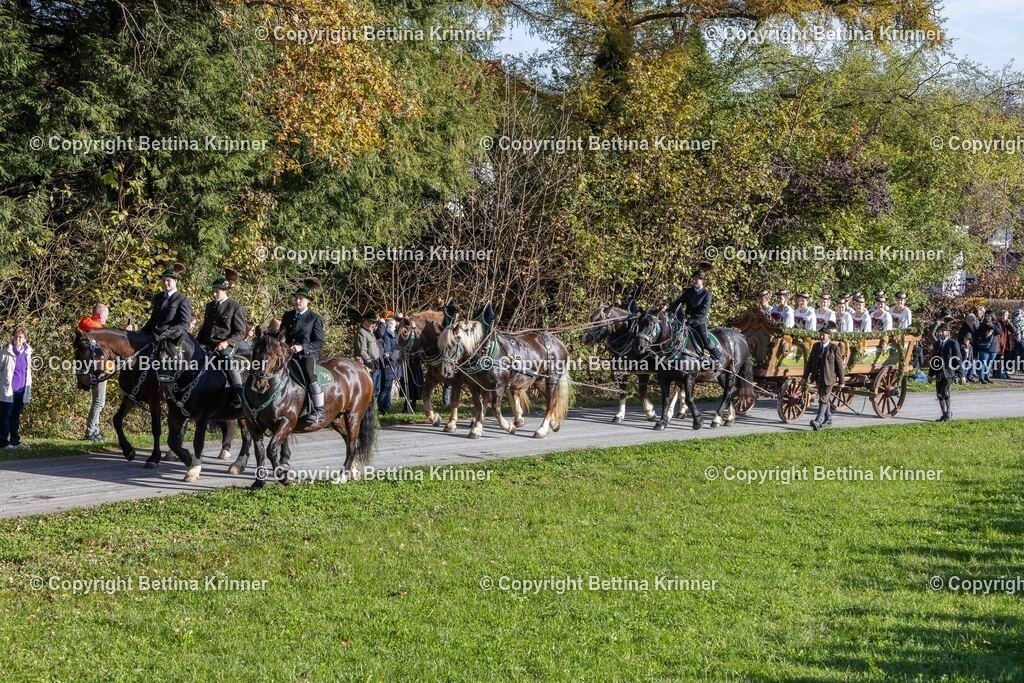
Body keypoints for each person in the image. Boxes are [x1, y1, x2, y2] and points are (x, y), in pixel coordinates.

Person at [196, 269, 249, 408]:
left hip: (227, 344)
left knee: (227, 359)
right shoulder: (209, 306)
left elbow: (240, 332)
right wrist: (196, 342)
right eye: (213, 291)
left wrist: (226, 343)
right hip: (208, 343)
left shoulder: (235, 307)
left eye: (217, 291)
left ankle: (238, 393)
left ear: (225, 291)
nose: (214, 294)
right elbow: (205, 327)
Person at [280, 279, 326, 425]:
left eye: (301, 299)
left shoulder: (314, 318)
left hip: (306, 355)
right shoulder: (287, 315)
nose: (298, 301)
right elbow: (282, 334)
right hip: (287, 353)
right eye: (296, 298)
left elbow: (319, 342)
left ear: (307, 301)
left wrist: (302, 347)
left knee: (308, 373)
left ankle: (318, 410)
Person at [667, 264, 722, 367]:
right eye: (693, 279)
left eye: (696, 279)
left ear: (702, 281)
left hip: (699, 321)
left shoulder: (706, 294)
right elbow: (679, 302)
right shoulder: (688, 291)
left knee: (704, 339)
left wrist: (690, 319)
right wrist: (667, 307)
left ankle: (718, 356)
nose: (694, 281)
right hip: (686, 321)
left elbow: (703, 311)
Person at [803, 322, 844, 431]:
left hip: (829, 379)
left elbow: (839, 366)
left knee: (823, 399)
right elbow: (810, 363)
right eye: (820, 335)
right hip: (818, 377)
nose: (821, 337)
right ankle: (829, 419)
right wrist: (805, 377)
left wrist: (841, 382)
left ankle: (818, 420)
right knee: (825, 400)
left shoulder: (834, 348)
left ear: (828, 336)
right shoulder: (816, 346)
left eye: (823, 335)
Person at [78, 304, 109, 441]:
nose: (106, 319)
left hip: (95, 369)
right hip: (97, 370)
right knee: (98, 401)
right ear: (101, 315)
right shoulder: (94, 327)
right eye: (106, 316)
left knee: (99, 401)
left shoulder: (88, 326)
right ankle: (91, 430)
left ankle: (94, 429)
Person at [141, 264, 192, 341]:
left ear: (176, 281)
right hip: (152, 336)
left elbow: (184, 324)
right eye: (163, 280)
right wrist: (140, 333)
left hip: (169, 340)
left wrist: (167, 333)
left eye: (168, 280)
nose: (165, 283)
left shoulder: (182, 300)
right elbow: (152, 320)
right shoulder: (158, 297)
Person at [0, 328, 32, 450]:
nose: (18, 339)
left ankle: (15, 441)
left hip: (21, 390)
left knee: (15, 416)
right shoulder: (5, 353)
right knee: (5, 416)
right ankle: (3, 442)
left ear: (25, 339)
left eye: (21, 337)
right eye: (16, 336)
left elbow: (27, 371)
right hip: (7, 391)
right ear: (13, 337)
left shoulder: (27, 353)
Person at [930, 318, 963, 421]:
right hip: (939, 372)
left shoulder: (953, 343)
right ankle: (944, 414)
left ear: (948, 332)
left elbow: (958, 359)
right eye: (940, 331)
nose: (941, 333)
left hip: (949, 373)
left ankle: (949, 412)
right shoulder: (937, 343)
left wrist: (961, 375)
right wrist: (931, 374)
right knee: (939, 394)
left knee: (945, 393)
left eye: (943, 331)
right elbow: (934, 359)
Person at [355, 313, 383, 404]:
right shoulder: (361, 333)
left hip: (376, 363)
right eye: (372, 323)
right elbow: (361, 351)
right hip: (368, 365)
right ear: (366, 321)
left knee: (376, 390)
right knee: (369, 391)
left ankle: (374, 409)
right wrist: (370, 363)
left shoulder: (370, 332)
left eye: (375, 323)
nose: (374, 325)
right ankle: (368, 411)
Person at [375, 312, 398, 414]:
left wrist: (394, 356)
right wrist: (387, 353)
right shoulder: (385, 333)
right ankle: (381, 406)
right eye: (393, 324)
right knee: (385, 385)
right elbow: (383, 342)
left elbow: (397, 347)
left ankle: (386, 405)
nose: (395, 326)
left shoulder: (394, 334)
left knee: (389, 385)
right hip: (386, 362)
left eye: (395, 324)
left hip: (393, 361)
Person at [974, 312, 1000, 384]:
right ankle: (981, 377)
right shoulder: (982, 324)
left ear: (992, 316)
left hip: (993, 346)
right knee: (983, 362)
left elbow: (999, 331)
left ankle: (987, 376)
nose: (987, 317)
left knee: (989, 363)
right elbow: (978, 334)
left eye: (989, 316)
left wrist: (993, 326)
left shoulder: (996, 324)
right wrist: (985, 333)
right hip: (984, 346)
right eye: (986, 316)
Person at [958, 314, 978, 383]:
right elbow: (960, 338)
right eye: (969, 319)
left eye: (972, 319)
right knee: (965, 362)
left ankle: (970, 375)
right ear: (966, 320)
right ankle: (964, 376)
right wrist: (963, 346)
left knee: (972, 361)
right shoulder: (964, 327)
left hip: (973, 347)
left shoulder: (975, 327)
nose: (971, 321)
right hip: (965, 347)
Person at [997, 310, 1016, 379]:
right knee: (999, 360)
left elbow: (1015, 331)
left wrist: (1010, 324)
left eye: (1004, 315)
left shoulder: (1009, 324)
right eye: (1001, 315)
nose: (1002, 317)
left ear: (1007, 316)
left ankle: (1005, 373)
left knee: (1007, 360)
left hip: (1008, 345)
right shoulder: (998, 323)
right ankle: (998, 373)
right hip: (1001, 344)